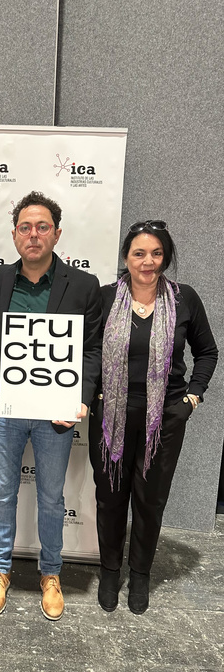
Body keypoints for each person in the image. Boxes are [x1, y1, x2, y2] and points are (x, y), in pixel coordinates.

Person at [89, 220, 218, 614]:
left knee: (150, 501)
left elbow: (207, 352)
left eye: (156, 253)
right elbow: (89, 350)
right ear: (126, 256)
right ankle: (110, 570)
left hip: (164, 420)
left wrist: (191, 399)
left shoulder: (185, 299)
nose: (147, 262)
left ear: (166, 257)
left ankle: (140, 574)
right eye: (139, 253)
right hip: (111, 418)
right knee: (110, 498)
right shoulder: (106, 297)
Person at [0, 191, 102, 619]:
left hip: (56, 410)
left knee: (52, 497)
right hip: (7, 408)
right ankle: (0, 570)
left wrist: (81, 398)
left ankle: (50, 573)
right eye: (25, 227)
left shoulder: (85, 286)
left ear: (57, 233)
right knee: (2, 492)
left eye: (42, 227)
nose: (33, 235)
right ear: (15, 234)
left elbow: (91, 351)